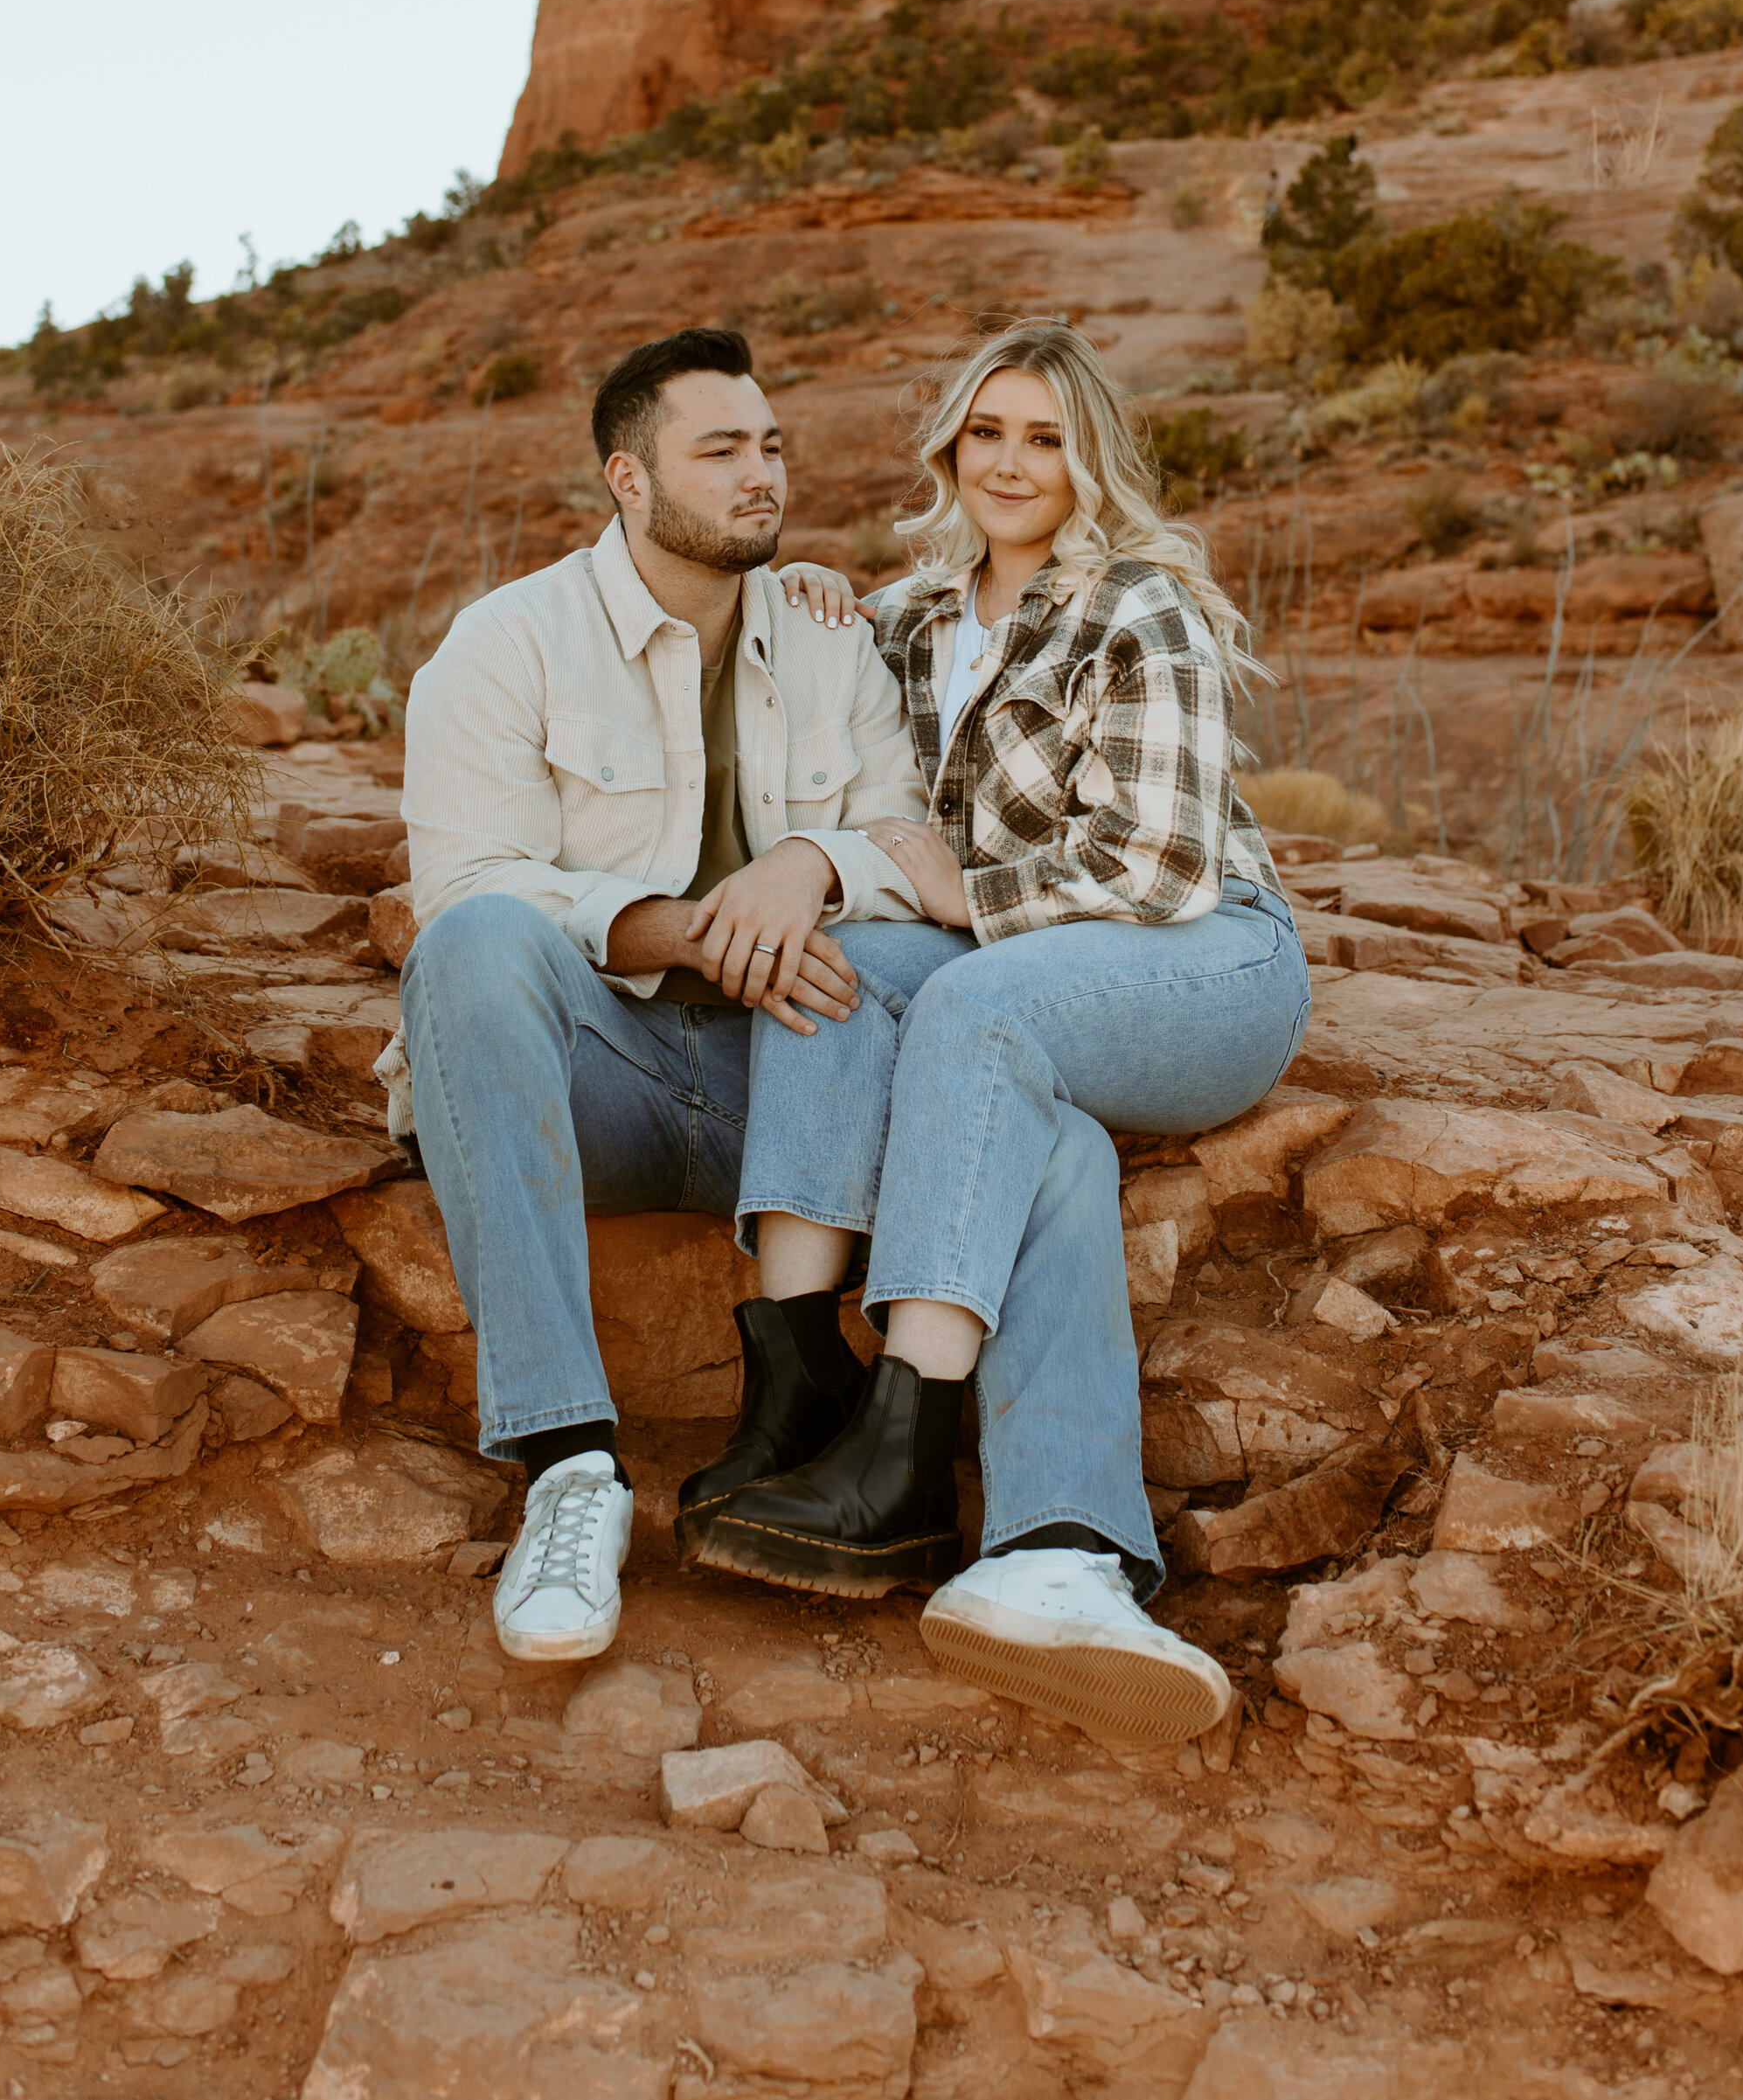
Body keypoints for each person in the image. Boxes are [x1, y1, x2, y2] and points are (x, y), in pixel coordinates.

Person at [687, 319, 1312, 1747]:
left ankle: (902, 1454)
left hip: (1201, 963)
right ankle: (1003, 1509)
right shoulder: (909, 618)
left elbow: (1156, 871)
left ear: (1087, 457)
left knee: (967, 1006)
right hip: (1035, 984)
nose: (1014, 463)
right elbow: (840, 773)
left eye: (1046, 436)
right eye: (989, 433)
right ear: (950, 450)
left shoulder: (1140, 604)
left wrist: (948, 884)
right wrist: (800, 604)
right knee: (865, 989)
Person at [394, 325, 925, 1665]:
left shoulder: (828, 638)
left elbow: (912, 841)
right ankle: (570, 1467)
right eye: (723, 450)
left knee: (937, 990)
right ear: (629, 480)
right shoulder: (504, 643)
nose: (763, 475)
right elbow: (466, 887)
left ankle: (925, 1465)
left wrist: (808, 863)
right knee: (469, 953)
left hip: (788, 1084)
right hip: (600, 1072)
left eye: (772, 446)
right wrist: (676, 929)